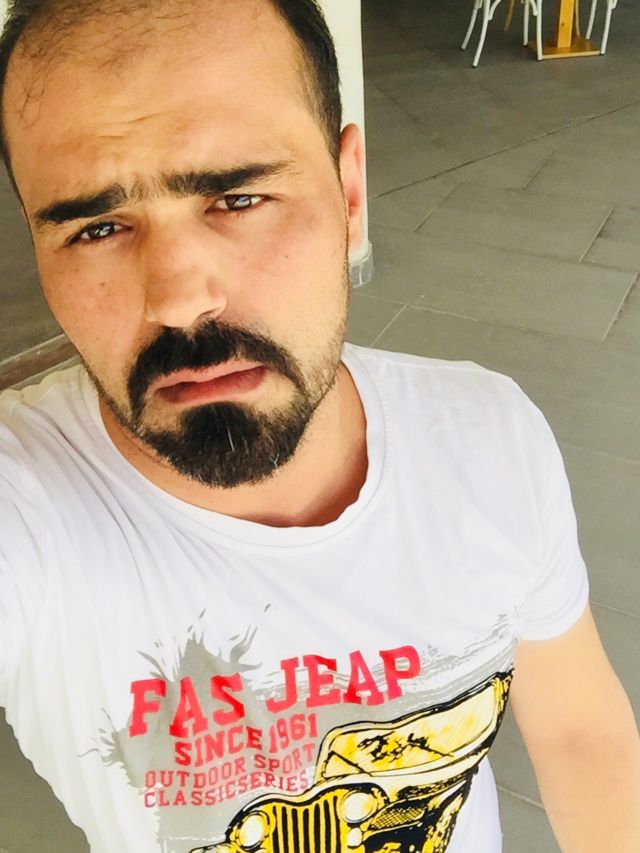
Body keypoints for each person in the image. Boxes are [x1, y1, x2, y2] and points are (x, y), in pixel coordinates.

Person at [0, 1, 638, 851]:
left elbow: (580, 732)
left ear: (349, 193)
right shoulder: (26, 505)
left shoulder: (491, 437)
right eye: (98, 227)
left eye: (238, 197)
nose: (181, 298)